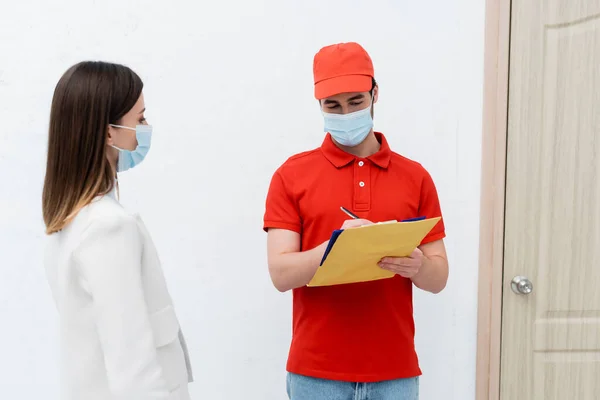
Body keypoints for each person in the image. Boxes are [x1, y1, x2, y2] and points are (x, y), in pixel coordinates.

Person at [263, 42, 448, 400]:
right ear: (319, 105)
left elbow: (438, 278)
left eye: (356, 102)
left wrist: (417, 264)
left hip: (395, 373)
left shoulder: (416, 177)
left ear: (375, 94)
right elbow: (280, 274)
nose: (345, 113)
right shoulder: (291, 176)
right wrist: (336, 247)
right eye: (332, 105)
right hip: (316, 374)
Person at [42, 61, 193, 400]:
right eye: (139, 119)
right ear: (108, 132)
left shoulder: (65, 223)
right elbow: (133, 364)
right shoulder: (109, 227)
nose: (146, 127)